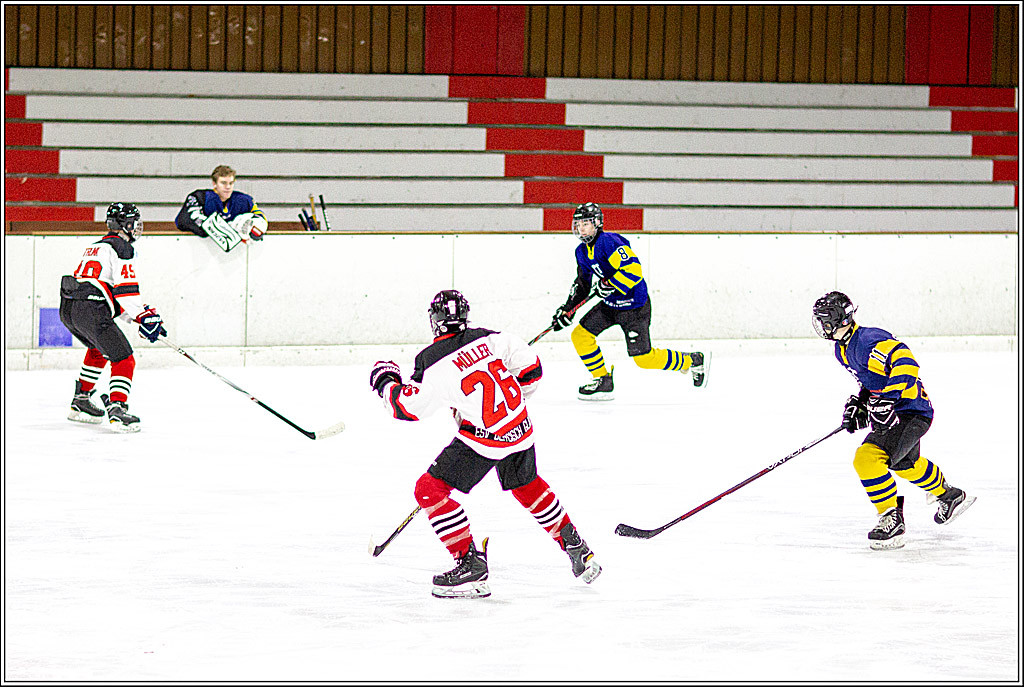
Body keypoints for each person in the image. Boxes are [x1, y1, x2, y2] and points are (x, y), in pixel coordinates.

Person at [369, 289, 602, 599]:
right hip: (520, 427)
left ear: (435, 322)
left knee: (429, 489)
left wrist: (385, 380)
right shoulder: (491, 338)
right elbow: (532, 371)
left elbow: (406, 408)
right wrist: (503, 405)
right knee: (527, 485)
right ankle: (577, 548)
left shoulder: (431, 362)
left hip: (484, 439)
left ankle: (468, 565)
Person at [812, 291, 976, 550]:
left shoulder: (868, 340)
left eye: (824, 320)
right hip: (901, 411)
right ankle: (951, 496)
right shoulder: (842, 350)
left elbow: (906, 363)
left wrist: (887, 399)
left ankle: (891, 518)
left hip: (909, 412)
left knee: (867, 459)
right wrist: (861, 403)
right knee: (904, 464)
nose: (821, 326)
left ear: (840, 320)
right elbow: (874, 380)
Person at [549, 202, 708, 400]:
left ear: (597, 223)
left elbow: (633, 271)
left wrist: (611, 283)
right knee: (580, 336)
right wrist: (567, 310)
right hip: (610, 305)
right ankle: (603, 380)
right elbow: (582, 284)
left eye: (586, 224)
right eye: (578, 224)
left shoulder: (609, 242)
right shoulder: (581, 252)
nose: (581, 228)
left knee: (644, 359)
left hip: (634, 307)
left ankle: (692, 360)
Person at [59, 202, 167, 433]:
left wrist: (139, 316)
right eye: (134, 222)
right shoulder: (123, 247)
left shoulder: (96, 246)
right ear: (125, 224)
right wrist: (142, 316)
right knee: (124, 359)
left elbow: (108, 292)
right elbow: (125, 290)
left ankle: (81, 400)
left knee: (99, 350)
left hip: (69, 308)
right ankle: (118, 408)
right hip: (90, 309)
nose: (137, 227)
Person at [175, 165, 268, 252]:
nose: (228, 187)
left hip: (234, 258)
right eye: (223, 183)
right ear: (214, 183)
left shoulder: (244, 200)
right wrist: (225, 230)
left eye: (231, 183)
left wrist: (257, 228)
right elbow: (183, 221)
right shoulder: (200, 197)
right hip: (202, 253)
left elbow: (260, 217)